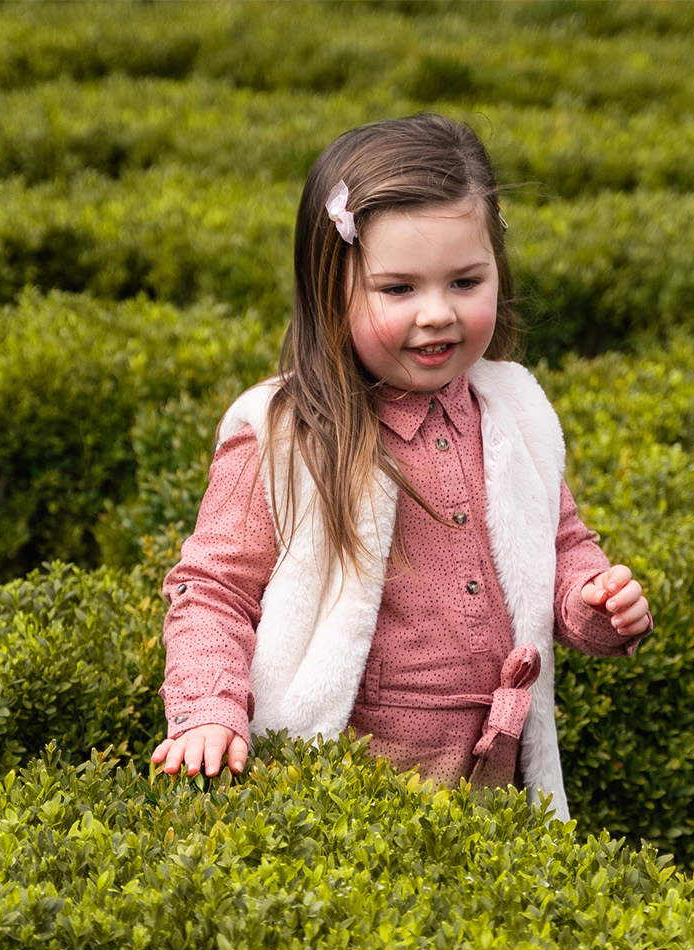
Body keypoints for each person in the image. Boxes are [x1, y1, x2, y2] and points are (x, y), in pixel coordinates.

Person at [146, 113, 652, 820]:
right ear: (333, 288)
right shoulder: (290, 433)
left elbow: (559, 548)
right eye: (399, 289)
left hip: (493, 772)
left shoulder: (516, 411)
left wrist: (597, 604)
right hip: (348, 780)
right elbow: (213, 588)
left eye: (466, 281)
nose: (437, 313)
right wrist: (208, 710)